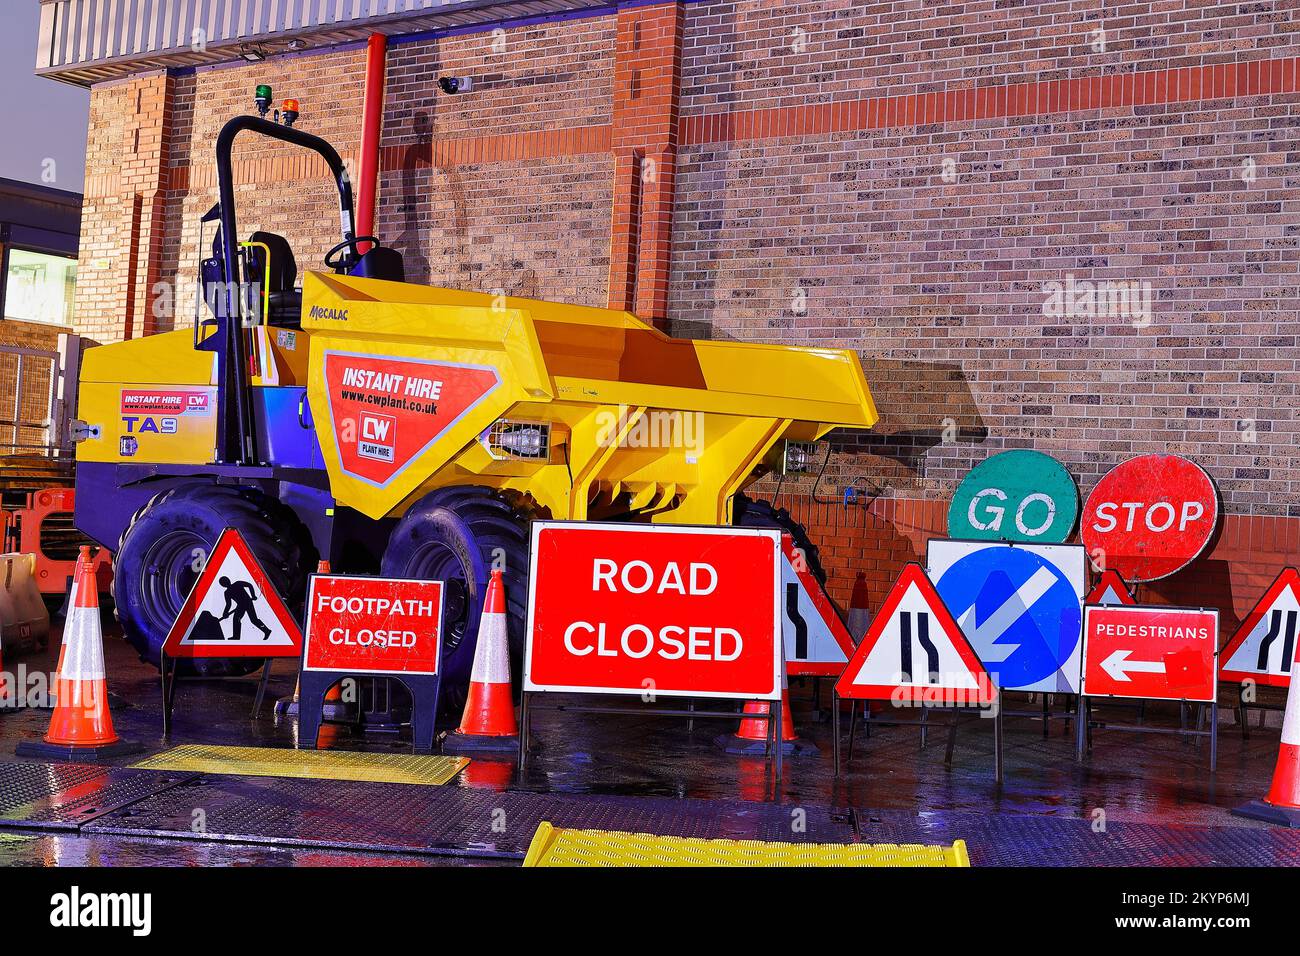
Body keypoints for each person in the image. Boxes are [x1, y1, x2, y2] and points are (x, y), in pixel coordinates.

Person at [219, 575, 273, 641]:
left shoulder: (236, 584)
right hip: (241, 605)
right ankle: (236, 636)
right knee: (237, 619)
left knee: (252, 619)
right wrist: (225, 612)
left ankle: (267, 631)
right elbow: (228, 604)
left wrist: (253, 595)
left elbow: (249, 585)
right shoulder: (228, 591)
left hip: (248, 603)